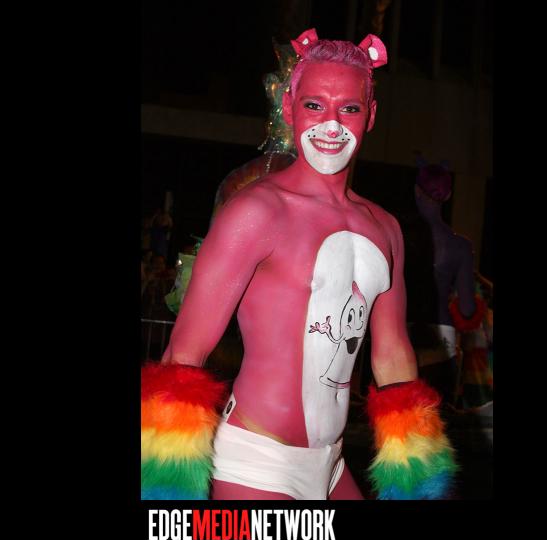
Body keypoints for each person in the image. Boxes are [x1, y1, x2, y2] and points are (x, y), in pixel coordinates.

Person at [141, 29, 457, 501]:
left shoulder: (386, 227)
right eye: (314, 105)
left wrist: (419, 485)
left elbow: (392, 357)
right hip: (255, 464)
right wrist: (166, 496)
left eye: (349, 108)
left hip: (331, 464)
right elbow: (182, 358)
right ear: (289, 108)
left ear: (370, 116)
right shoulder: (256, 212)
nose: (331, 124)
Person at [412, 162, 487, 405]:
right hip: (442, 340)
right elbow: (467, 309)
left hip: (401, 333)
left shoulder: (399, 234)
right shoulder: (461, 247)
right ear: (448, 195)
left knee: (397, 418)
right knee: (438, 417)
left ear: (416, 190)